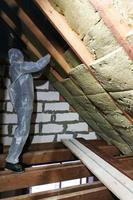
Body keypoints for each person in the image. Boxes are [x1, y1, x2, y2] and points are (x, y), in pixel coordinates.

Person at [5, 48, 51, 172]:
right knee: (22, 131)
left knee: (23, 130)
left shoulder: (19, 69)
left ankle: (15, 157)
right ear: (14, 56)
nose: (19, 56)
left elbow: (36, 73)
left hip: (25, 104)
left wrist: (45, 66)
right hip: (24, 104)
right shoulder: (16, 66)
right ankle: (11, 160)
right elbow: (37, 65)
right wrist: (50, 53)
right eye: (18, 54)